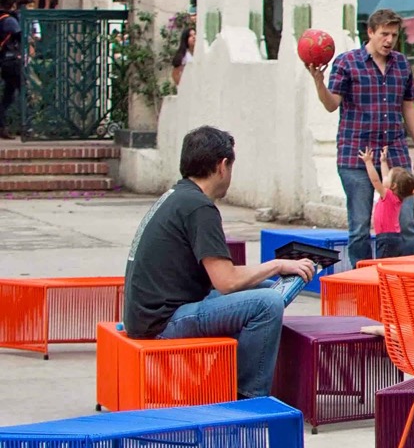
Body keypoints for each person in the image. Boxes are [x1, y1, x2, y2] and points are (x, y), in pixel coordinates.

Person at [121, 126, 318, 398]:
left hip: (147, 316)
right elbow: (226, 282)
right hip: (162, 323)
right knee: (268, 302)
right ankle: (249, 398)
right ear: (222, 166)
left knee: (265, 288)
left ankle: (228, 373)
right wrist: (278, 264)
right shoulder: (199, 207)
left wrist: (269, 275)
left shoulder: (178, 196)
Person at [308, 8, 414, 267]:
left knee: (406, 222)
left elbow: (408, 105)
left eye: (394, 35)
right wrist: (319, 82)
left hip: (394, 152)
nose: (389, 40)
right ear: (370, 32)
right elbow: (332, 104)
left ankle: (411, 277)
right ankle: (363, 280)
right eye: (384, 34)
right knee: (360, 226)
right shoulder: (346, 62)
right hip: (357, 154)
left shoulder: (401, 64)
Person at [360, 147, 414, 258]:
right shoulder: (396, 196)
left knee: (382, 264)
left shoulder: (388, 195)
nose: (386, 177)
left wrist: (368, 162)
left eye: (389, 177)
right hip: (394, 237)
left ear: (393, 186)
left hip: (386, 238)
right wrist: (383, 162)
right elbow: (384, 177)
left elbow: (375, 180)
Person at [0, 0, 23, 138]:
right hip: (12, 61)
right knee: (26, 93)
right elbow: (21, 37)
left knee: (8, 94)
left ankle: (2, 126)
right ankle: (30, 126)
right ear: (13, 5)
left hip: (3, 60)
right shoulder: (9, 20)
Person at [170, 24, 196, 90]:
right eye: (190, 36)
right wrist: (183, 87)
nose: (194, 37)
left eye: (195, 34)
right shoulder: (184, 56)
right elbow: (175, 74)